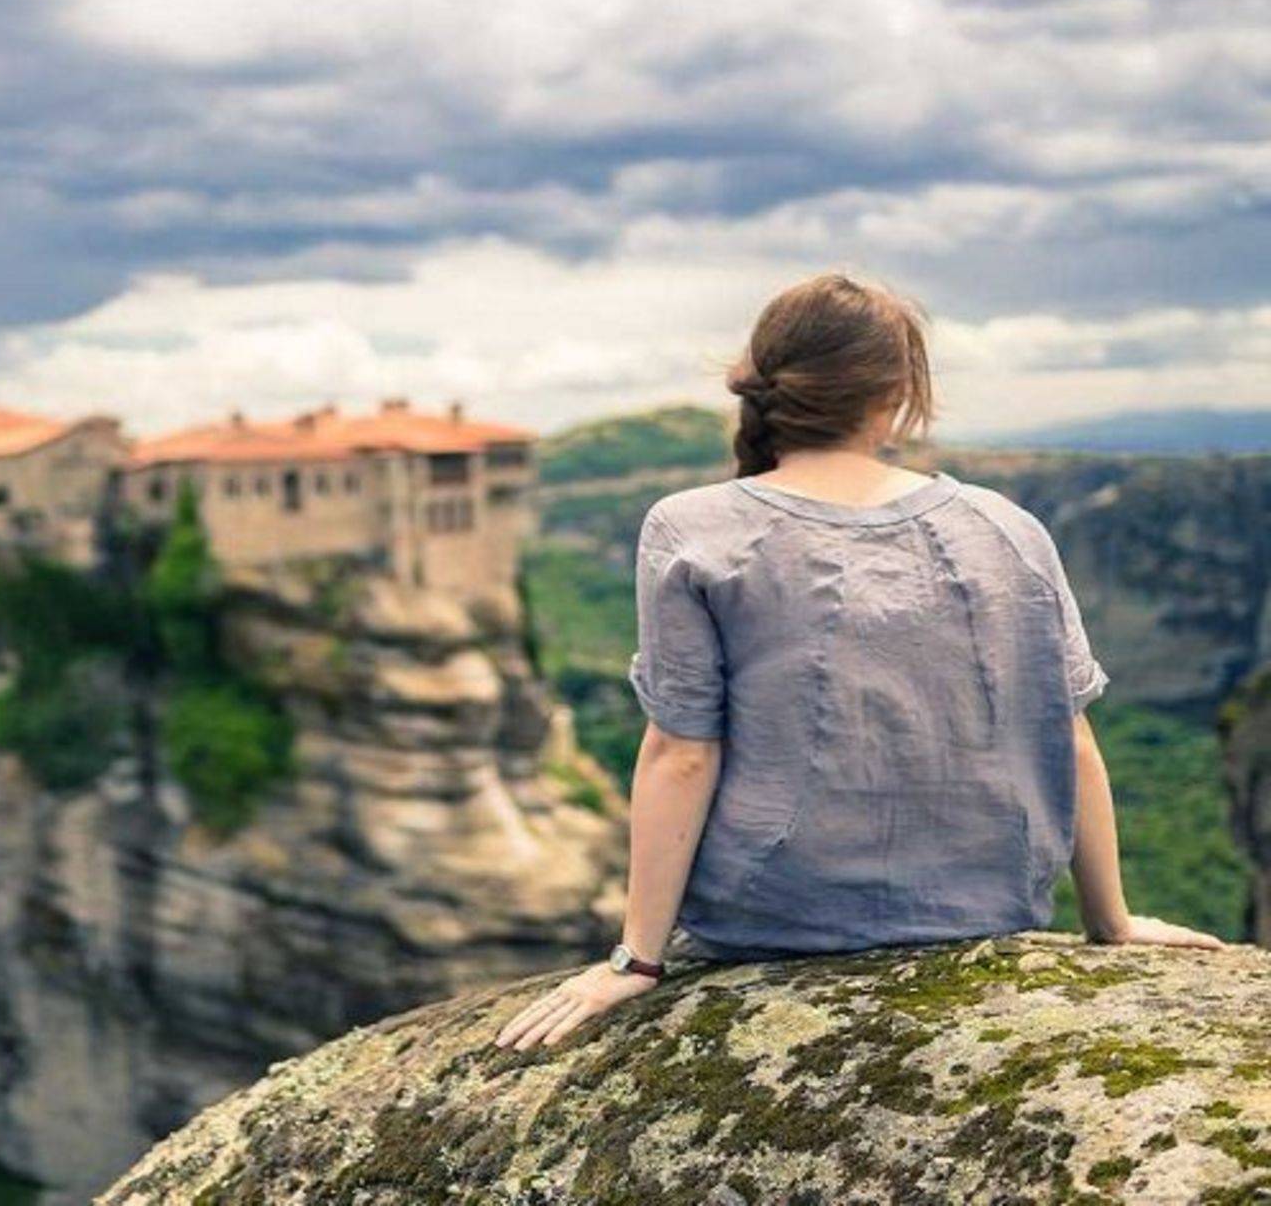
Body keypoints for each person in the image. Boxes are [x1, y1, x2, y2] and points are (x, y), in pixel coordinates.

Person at [496, 271, 1226, 1053]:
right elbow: (1068, 735)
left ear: (766, 388)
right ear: (900, 393)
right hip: (984, 906)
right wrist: (1112, 921)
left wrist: (637, 959)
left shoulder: (691, 529)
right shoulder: (1008, 527)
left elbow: (682, 754)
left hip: (778, 918)